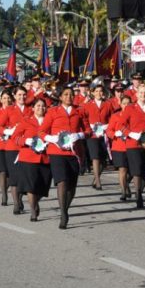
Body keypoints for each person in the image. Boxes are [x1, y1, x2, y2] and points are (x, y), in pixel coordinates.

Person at [44, 87, 86, 229]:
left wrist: (79, 135)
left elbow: (88, 130)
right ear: (60, 97)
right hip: (57, 152)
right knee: (61, 181)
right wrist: (52, 138)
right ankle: (63, 213)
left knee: (72, 186)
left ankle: (66, 208)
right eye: (66, 94)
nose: (69, 97)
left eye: (71, 94)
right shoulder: (52, 112)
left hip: (73, 153)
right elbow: (41, 131)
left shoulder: (79, 112)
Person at [15, 97, 51, 222]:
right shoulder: (26, 121)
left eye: (43, 106)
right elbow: (16, 138)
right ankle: (33, 210)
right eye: (38, 106)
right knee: (31, 186)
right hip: (28, 158)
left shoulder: (50, 120)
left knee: (43, 185)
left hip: (45, 157)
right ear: (33, 108)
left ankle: (35, 201)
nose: (41, 108)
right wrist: (26, 140)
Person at [82, 84, 114, 190]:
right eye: (96, 91)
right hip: (93, 134)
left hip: (104, 134)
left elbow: (112, 118)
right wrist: (89, 128)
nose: (98, 93)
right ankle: (99, 182)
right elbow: (84, 119)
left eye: (100, 91)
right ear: (92, 93)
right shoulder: (87, 105)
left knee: (103, 160)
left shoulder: (108, 104)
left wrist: (107, 126)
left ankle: (95, 179)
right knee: (95, 157)